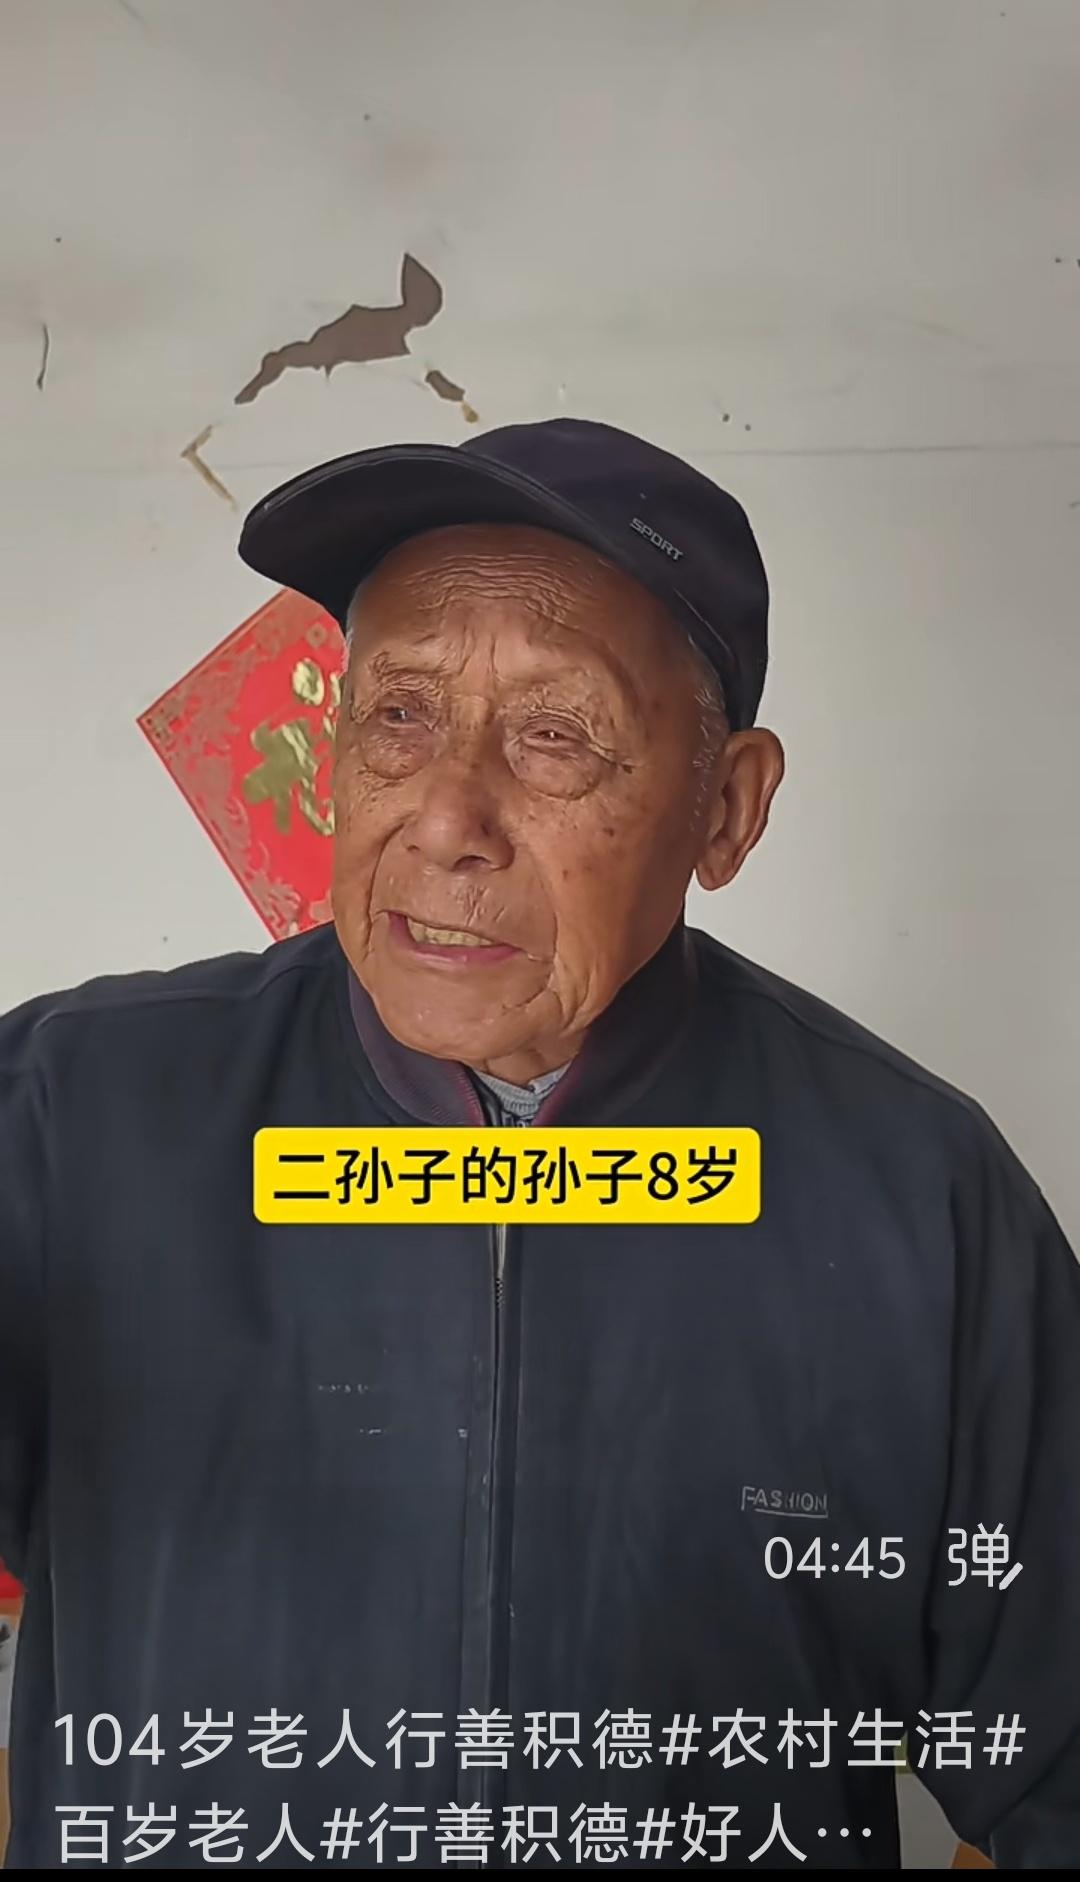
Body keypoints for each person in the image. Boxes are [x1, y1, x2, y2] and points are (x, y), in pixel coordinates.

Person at [1, 417, 1077, 1870]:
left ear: (726, 807)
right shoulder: (72, 1116)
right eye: (398, 715)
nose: (448, 819)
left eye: (556, 734)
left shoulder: (917, 1201)